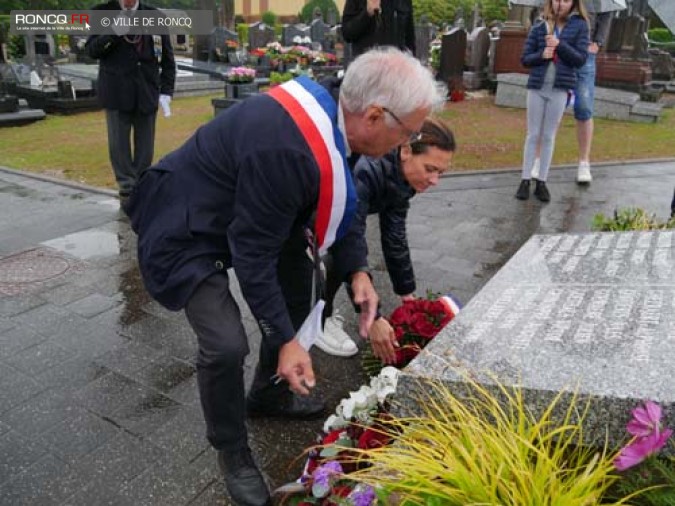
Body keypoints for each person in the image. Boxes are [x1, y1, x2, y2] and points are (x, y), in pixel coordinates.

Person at [126, 47, 440, 506]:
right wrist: (287, 339)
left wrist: (356, 271)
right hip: (186, 224)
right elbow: (252, 254)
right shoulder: (288, 148)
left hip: (254, 206)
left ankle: (267, 394)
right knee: (225, 343)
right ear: (375, 115)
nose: (406, 144)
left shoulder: (340, 108)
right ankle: (232, 451)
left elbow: (343, 195)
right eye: (409, 133)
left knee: (305, 283)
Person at [318, 117, 456, 359]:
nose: (435, 181)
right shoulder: (366, 170)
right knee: (336, 258)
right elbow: (349, 238)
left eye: (441, 172)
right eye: (430, 169)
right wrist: (373, 317)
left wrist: (408, 295)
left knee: (342, 254)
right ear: (405, 150)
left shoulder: (402, 177)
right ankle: (319, 319)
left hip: (332, 215)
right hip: (299, 214)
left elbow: (395, 235)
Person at [85, 0, 175, 204]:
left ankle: (142, 186)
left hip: (146, 89)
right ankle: (126, 188)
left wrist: (167, 90)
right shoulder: (101, 12)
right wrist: (114, 31)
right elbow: (91, 50)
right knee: (119, 146)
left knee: (146, 146)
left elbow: (167, 58)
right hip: (116, 90)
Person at [515, 0, 589, 203]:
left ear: (573, 3)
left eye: (565, 0)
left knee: (548, 135)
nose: (560, 4)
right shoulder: (540, 26)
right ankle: (525, 179)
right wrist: (542, 55)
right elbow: (525, 58)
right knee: (533, 134)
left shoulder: (580, 26)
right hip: (538, 87)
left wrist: (560, 45)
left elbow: (580, 58)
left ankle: (542, 181)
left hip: (559, 88)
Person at [573, 8, 613, 184]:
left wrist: (598, 42)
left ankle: (584, 161)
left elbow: (607, 12)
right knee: (551, 105)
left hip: (585, 49)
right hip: (560, 43)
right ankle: (539, 160)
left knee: (584, 106)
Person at [342, 0, 416, 59]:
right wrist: (367, 13)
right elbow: (347, 33)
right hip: (367, 68)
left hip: (395, 67)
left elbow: (409, 38)